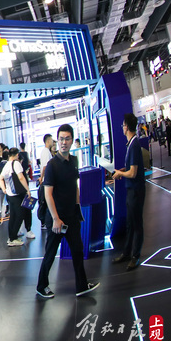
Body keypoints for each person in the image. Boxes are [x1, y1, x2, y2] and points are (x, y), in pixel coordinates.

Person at [35, 124, 100, 298]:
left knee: (77, 251)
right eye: (61, 139)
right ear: (57, 141)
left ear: (71, 140)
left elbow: (74, 187)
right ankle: (41, 286)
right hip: (56, 219)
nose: (64, 142)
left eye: (67, 139)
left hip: (71, 216)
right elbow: (48, 194)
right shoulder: (52, 165)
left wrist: (78, 208)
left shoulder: (74, 161)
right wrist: (56, 218)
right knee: (50, 253)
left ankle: (82, 286)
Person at [110, 113, 146, 270]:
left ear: (127, 127)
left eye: (123, 125)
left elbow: (133, 173)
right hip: (131, 190)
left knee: (137, 225)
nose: (122, 127)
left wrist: (121, 173)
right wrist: (122, 171)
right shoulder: (131, 144)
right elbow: (131, 168)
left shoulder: (134, 145)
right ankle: (126, 253)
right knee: (130, 224)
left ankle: (135, 256)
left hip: (136, 191)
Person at [0, 148, 31, 246]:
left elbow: (0, 179)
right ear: (17, 155)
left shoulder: (7, 165)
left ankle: (11, 237)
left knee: (13, 216)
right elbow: (21, 177)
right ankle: (13, 238)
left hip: (9, 194)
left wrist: (4, 190)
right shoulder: (16, 164)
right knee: (20, 215)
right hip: (17, 194)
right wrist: (27, 189)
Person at [37, 134, 54, 226]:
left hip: (45, 180)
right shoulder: (46, 152)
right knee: (46, 202)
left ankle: (45, 221)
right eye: (51, 140)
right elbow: (45, 167)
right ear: (47, 141)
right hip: (46, 180)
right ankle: (45, 221)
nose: (52, 142)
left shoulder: (46, 151)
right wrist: (42, 177)